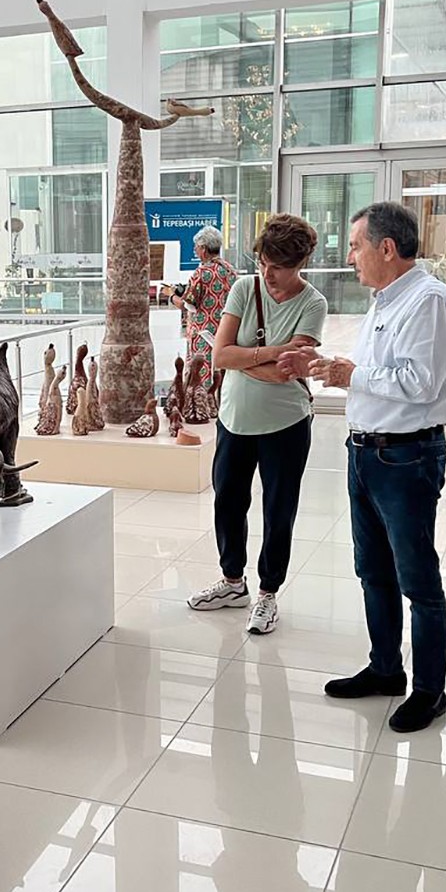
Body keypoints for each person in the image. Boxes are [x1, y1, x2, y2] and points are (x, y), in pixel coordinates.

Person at [281, 202, 446, 733]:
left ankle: (429, 691)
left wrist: (350, 375)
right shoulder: (387, 299)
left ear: (387, 248)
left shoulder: (428, 300)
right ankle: (385, 668)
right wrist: (323, 367)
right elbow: (376, 371)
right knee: (372, 570)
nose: (350, 256)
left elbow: (420, 383)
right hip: (366, 452)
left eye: (356, 245)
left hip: (405, 456)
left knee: (418, 580)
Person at [186, 214, 328, 636]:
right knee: (228, 501)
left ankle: (268, 592)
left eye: (279, 267)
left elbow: (287, 372)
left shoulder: (313, 304)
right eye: (263, 262)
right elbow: (219, 356)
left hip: (286, 424)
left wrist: (244, 356)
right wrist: (272, 352)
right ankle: (233, 582)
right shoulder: (244, 289)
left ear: (300, 263)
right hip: (234, 418)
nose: (268, 274)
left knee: (279, 509)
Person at [172, 225, 239, 388]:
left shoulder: (201, 273)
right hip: (226, 332)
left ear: (203, 248)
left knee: (200, 375)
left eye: (196, 247)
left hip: (203, 335)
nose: (195, 250)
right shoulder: (230, 271)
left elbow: (188, 305)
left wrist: (172, 297)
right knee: (222, 375)